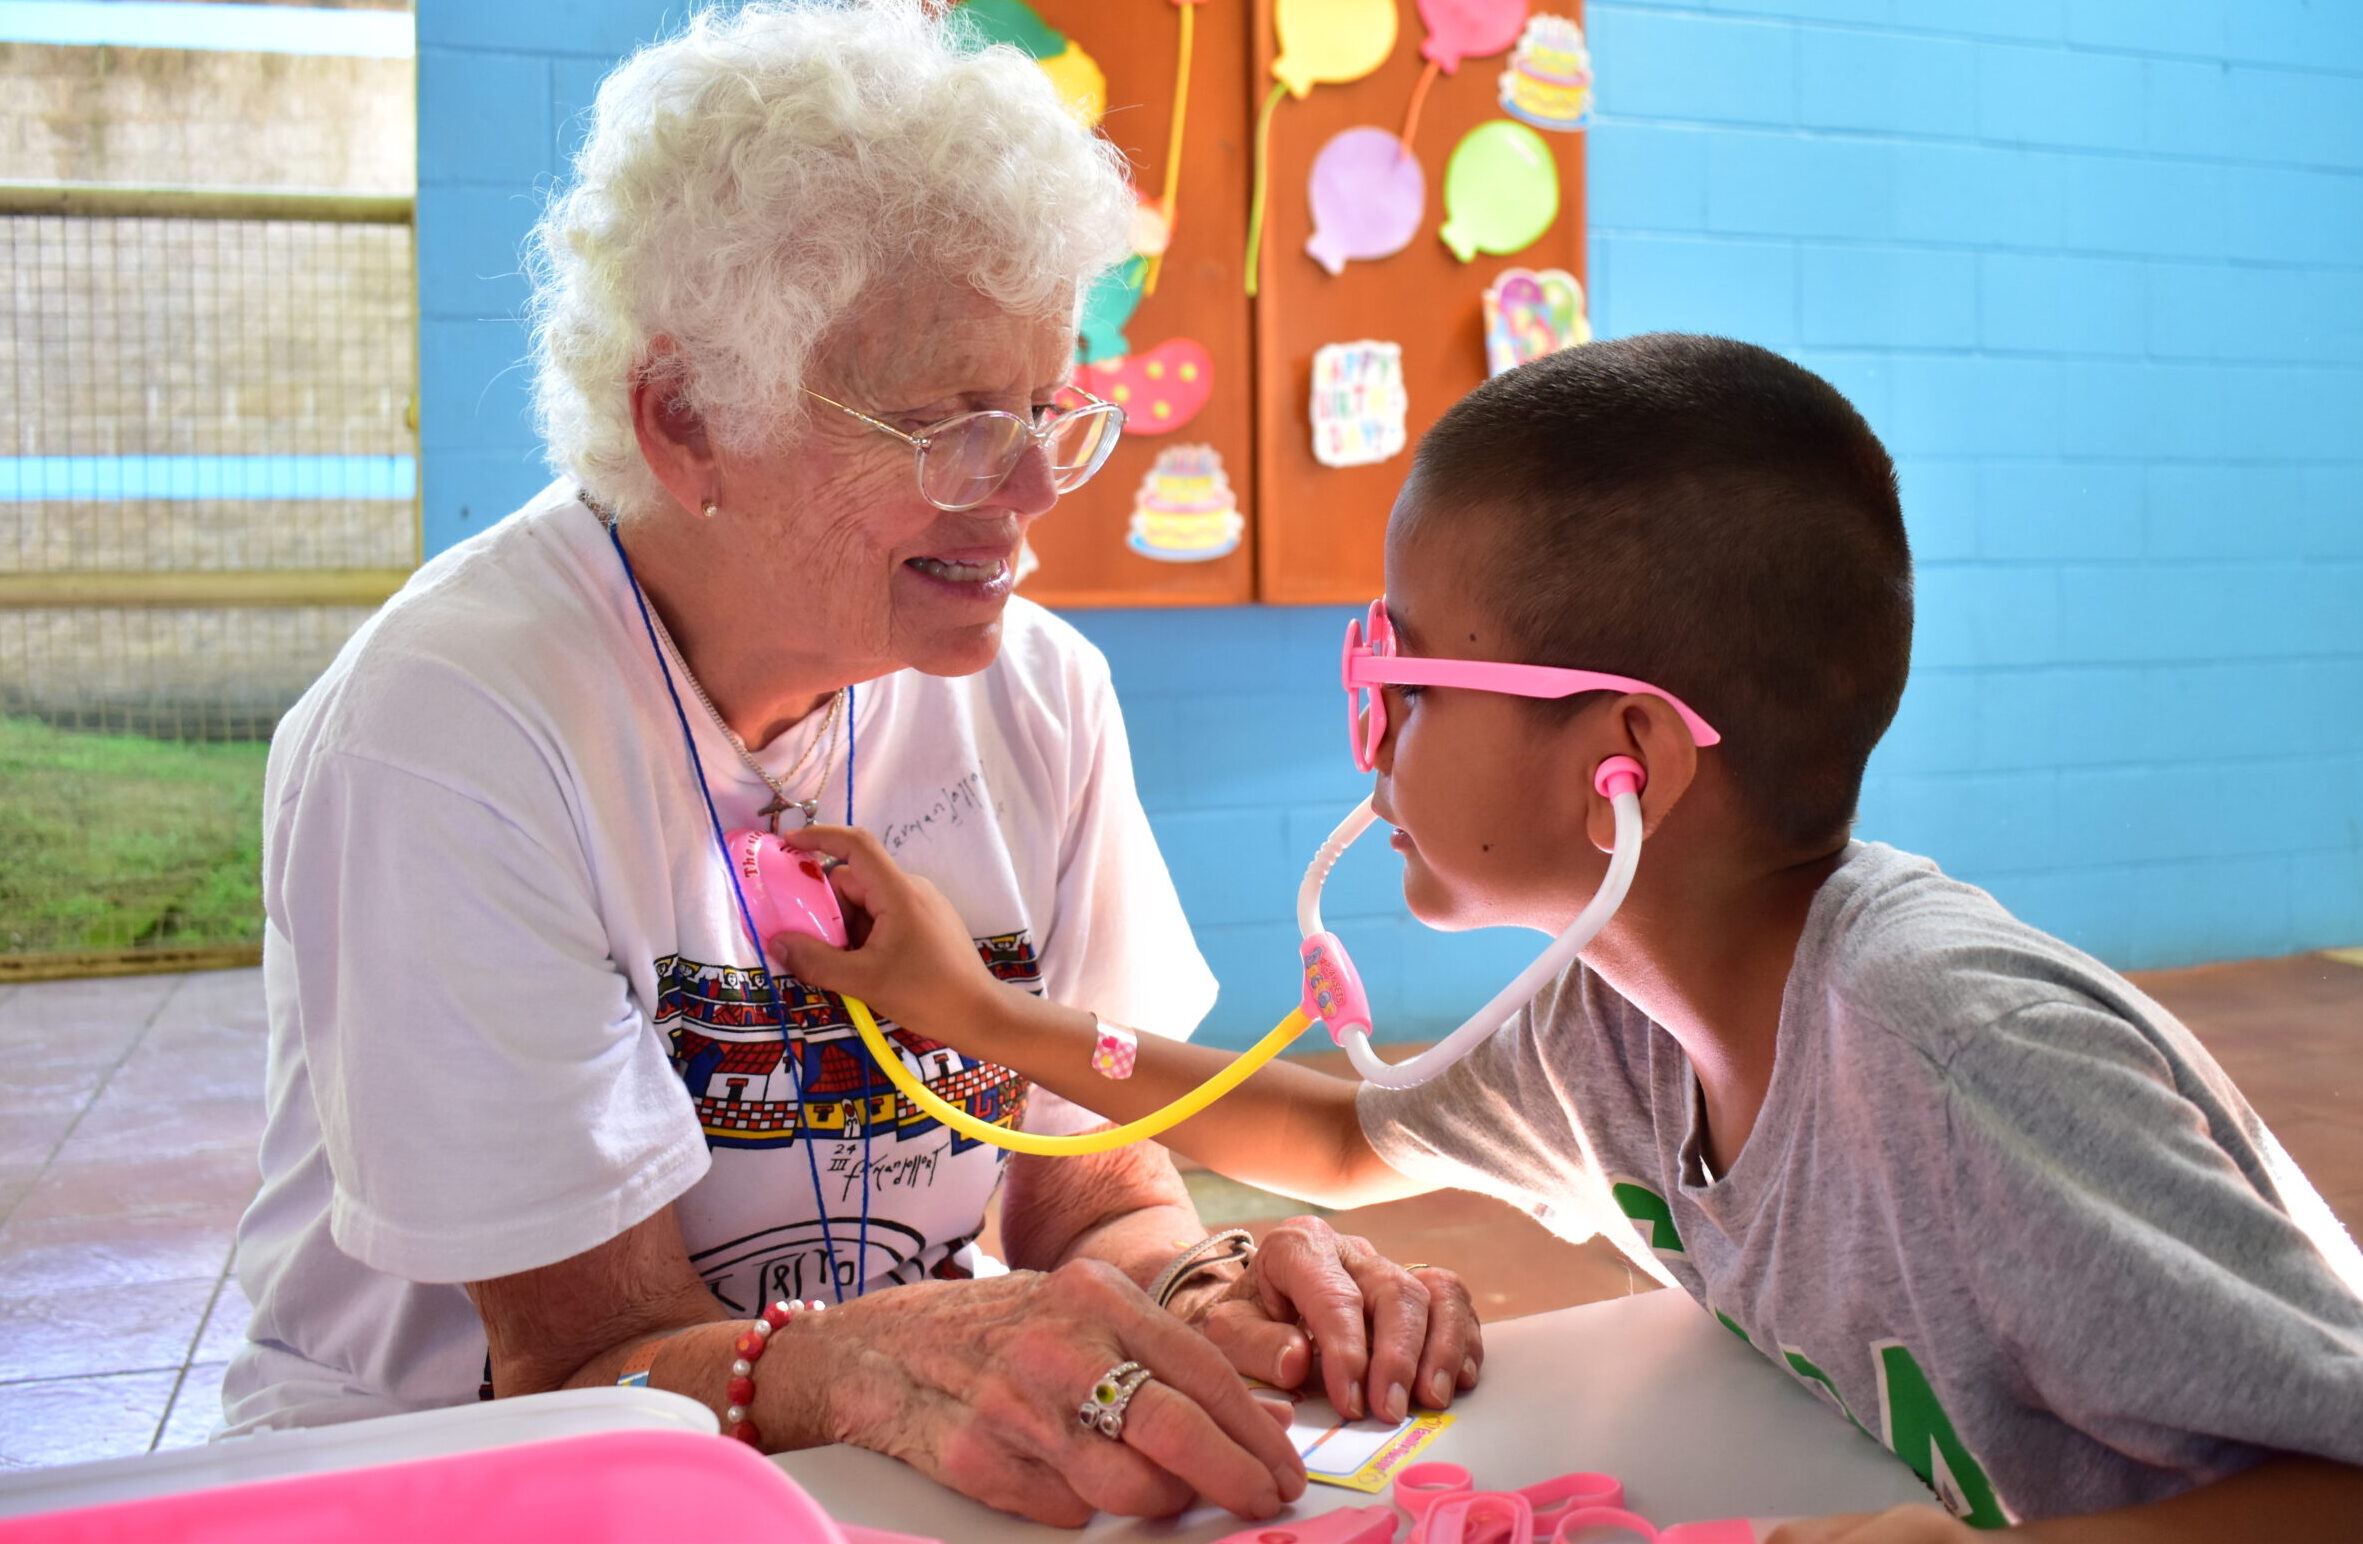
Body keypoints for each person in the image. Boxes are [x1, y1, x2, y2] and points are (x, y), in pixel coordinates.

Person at [225, 1, 1482, 1526]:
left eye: (1046, 409)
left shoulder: (1043, 694)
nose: (1028, 493)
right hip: (468, 1484)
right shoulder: (452, 736)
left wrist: (1212, 1284)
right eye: (951, 423)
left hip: (857, 1466)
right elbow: (581, 1359)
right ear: (688, 421)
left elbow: (1081, 1185)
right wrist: (879, 1359)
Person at [774, 334, 2363, 1538]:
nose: (1371, 726)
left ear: (1630, 763)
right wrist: (968, 1011)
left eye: (1408, 673)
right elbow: (1339, 1139)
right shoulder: (1620, 1021)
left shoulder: (1959, 1061)